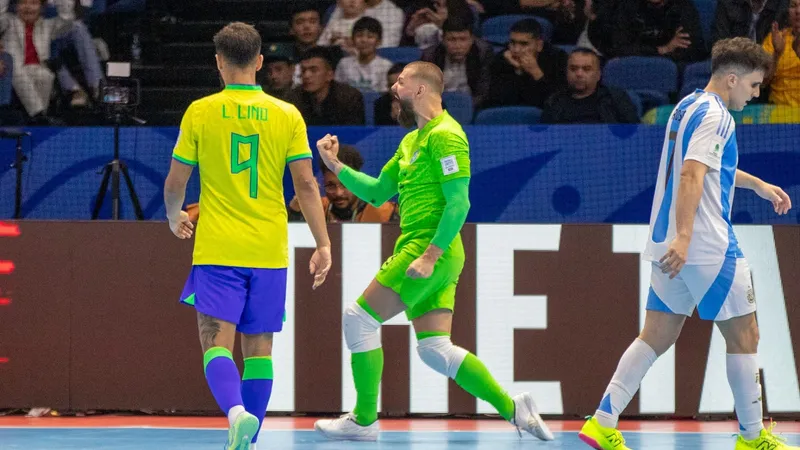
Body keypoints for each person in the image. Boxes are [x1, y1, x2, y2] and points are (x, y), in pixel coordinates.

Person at [312, 61, 554, 443]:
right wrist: (334, 164)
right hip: (434, 250)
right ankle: (514, 409)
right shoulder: (412, 141)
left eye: (401, 82)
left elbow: (459, 204)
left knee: (358, 319)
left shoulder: (447, 136)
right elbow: (376, 192)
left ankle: (362, 420)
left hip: (429, 246)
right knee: (434, 348)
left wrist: (428, 255)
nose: (393, 87)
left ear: (421, 90)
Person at [578, 37, 794, 450]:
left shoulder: (687, 106)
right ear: (732, 78)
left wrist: (758, 185)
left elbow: (709, 166)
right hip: (705, 244)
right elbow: (692, 174)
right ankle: (752, 438)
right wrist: (686, 236)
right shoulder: (719, 117)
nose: (754, 95)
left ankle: (602, 421)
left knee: (655, 335)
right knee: (745, 335)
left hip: (666, 244)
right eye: (752, 86)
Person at [163, 22, 332, 450]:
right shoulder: (287, 114)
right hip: (269, 249)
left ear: (218, 62)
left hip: (219, 247)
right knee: (259, 352)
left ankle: (236, 415)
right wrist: (323, 243)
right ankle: (248, 439)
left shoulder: (200, 111)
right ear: (259, 61)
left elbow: (175, 182)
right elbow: (307, 186)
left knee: (214, 342)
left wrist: (172, 216)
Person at [287, 144, 400, 223]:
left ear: (356, 181)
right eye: (331, 185)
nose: (339, 193)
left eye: (346, 185)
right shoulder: (316, 208)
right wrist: (295, 210)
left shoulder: (386, 212)